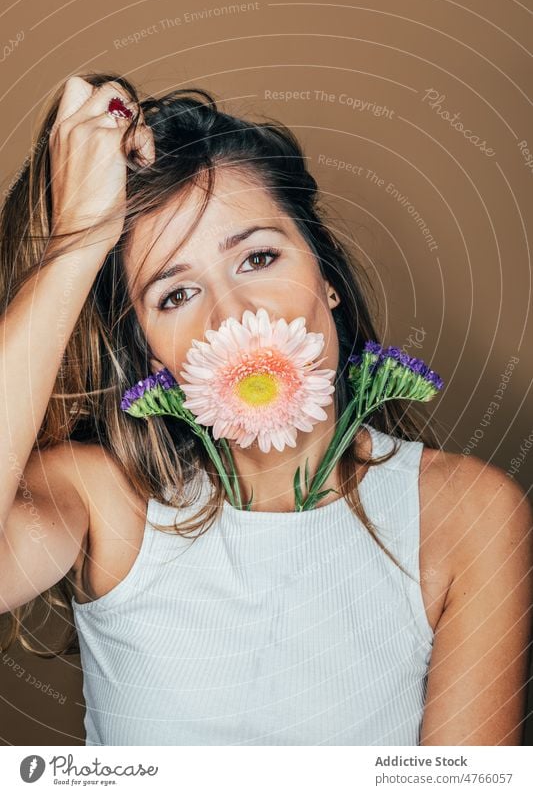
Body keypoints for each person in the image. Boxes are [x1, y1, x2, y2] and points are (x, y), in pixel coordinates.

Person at [0, 73, 531, 746]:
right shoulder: (104, 503)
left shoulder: (469, 514)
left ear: (326, 277)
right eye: (173, 294)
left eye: (257, 256)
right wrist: (75, 246)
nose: (234, 313)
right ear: (152, 357)